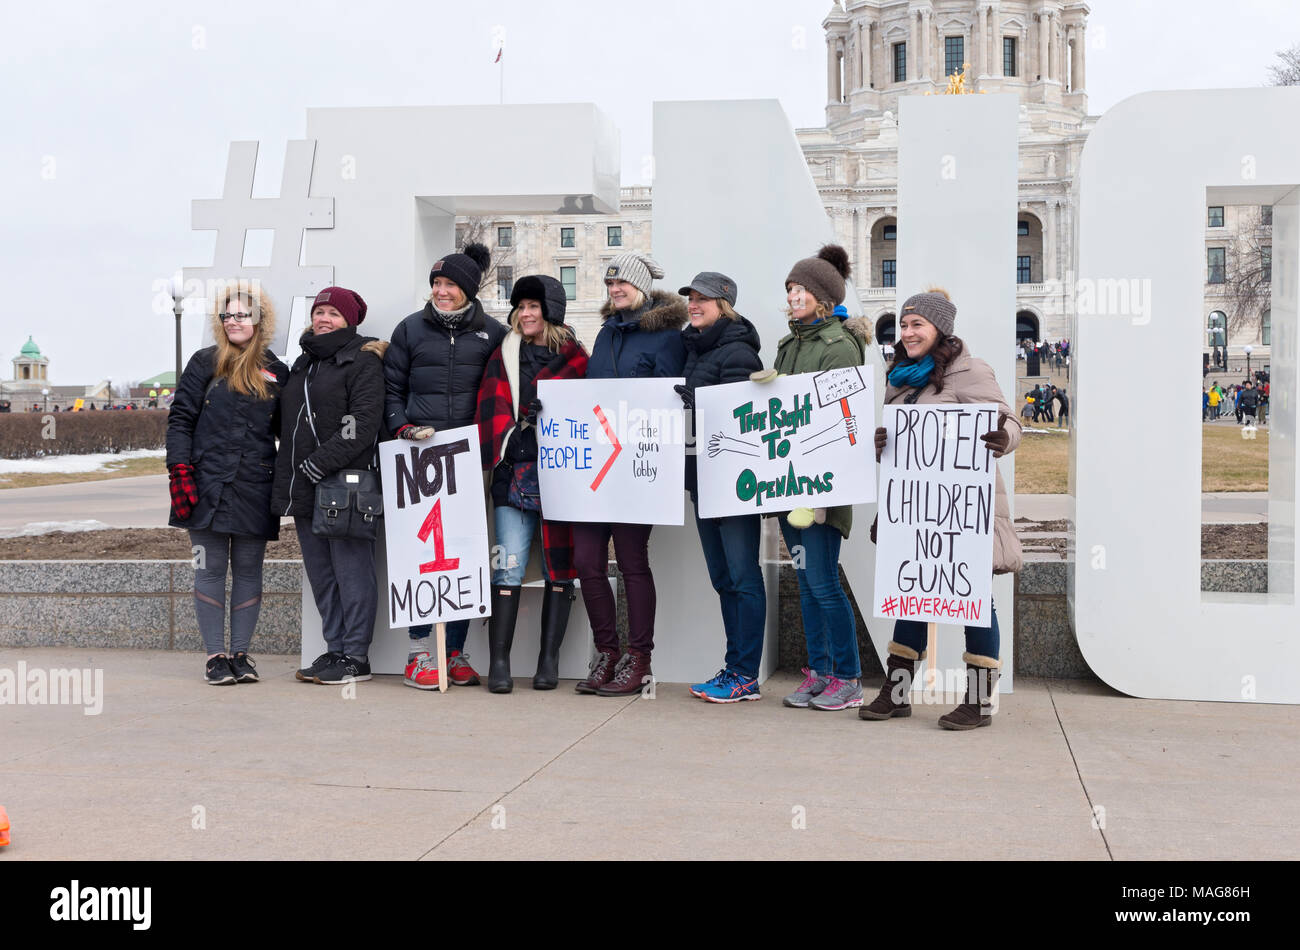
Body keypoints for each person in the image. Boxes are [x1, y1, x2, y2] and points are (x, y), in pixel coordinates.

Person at [864, 288, 1023, 729]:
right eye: (904, 324)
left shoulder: (970, 371)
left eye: (917, 324)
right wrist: (883, 442)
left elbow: (1010, 421)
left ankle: (978, 702)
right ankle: (896, 694)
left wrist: (1001, 436)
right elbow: (904, 444)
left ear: (940, 329)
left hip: (961, 512)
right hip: (914, 509)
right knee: (912, 594)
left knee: (973, 598)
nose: (907, 332)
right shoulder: (898, 377)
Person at [384, 243, 507, 690]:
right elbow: (392, 389)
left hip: (468, 460)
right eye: (436, 284)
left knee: (462, 554)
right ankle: (420, 654)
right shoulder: (410, 330)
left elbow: (501, 390)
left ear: (468, 290)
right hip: (419, 457)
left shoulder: (492, 333)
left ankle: (453, 651)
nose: (441, 291)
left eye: (449, 285)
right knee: (423, 555)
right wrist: (402, 427)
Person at [572, 252, 687, 697]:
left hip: (638, 467)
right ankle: (607, 651)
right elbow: (592, 393)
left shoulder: (666, 336)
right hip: (599, 467)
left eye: (622, 283)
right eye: (609, 283)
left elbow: (668, 397)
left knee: (633, 561)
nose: (615, 289)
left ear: (640, 286)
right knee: (587, 561)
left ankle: (639, 659)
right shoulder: (604, 335)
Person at [763, 245, 869, 712]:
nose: (793, 295)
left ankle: (848, 676)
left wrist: (825, 491)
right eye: (790, 288)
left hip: (823, 486)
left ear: (824, 297)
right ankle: (820, 671)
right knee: (806, 583)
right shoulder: (789, 345)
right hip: (789, 483)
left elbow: (840, 420)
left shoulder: (839, 346)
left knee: (824, 582)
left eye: (801, 288)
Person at [166, 280, 288, 685]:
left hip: (255, 486)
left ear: (259, 320)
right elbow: (181, 419)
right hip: (205, 486)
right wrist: (179, 472)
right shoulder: (204, 363)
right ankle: (215, 656)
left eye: (243, 314)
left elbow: (288, 431)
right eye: (228, 315)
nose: (234, 321)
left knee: (250, 571)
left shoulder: (277, 371)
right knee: (210, 570)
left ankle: (241, 654)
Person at [475, 274, 589, 692]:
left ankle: (549, 662)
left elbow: (592, 414)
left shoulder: (577, 358)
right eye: (520, 307)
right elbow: (489, 409)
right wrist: (522, 420)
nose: (524, 314)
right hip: (513, 474)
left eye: (533, 307)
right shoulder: (502, 354)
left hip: (562, 477)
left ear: (550, 312)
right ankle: (500, 665)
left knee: (562, 569)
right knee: (507, 567)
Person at [273, 286, 387, 686]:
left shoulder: (362, 361)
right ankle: (335, 649)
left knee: (352, 572)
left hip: (345, 487)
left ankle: (357, 656)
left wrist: (317, 464)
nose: (324, 318)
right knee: (322, 574)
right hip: (305, 486)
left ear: (349, 321)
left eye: (333, 314)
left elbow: (362, 426)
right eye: (319, 311)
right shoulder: (303, 364)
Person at [672, 272, 766, 703]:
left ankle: (745, 672)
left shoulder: (738, 349)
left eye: (702, 299)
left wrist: (701, 406)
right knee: (724, 578)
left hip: (734, 483)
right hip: (702, 480)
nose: (694, 304)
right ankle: (735, 668)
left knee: (743, 576)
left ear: (723, 303)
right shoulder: (695, 347)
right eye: (690, 298)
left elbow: (742, 417)